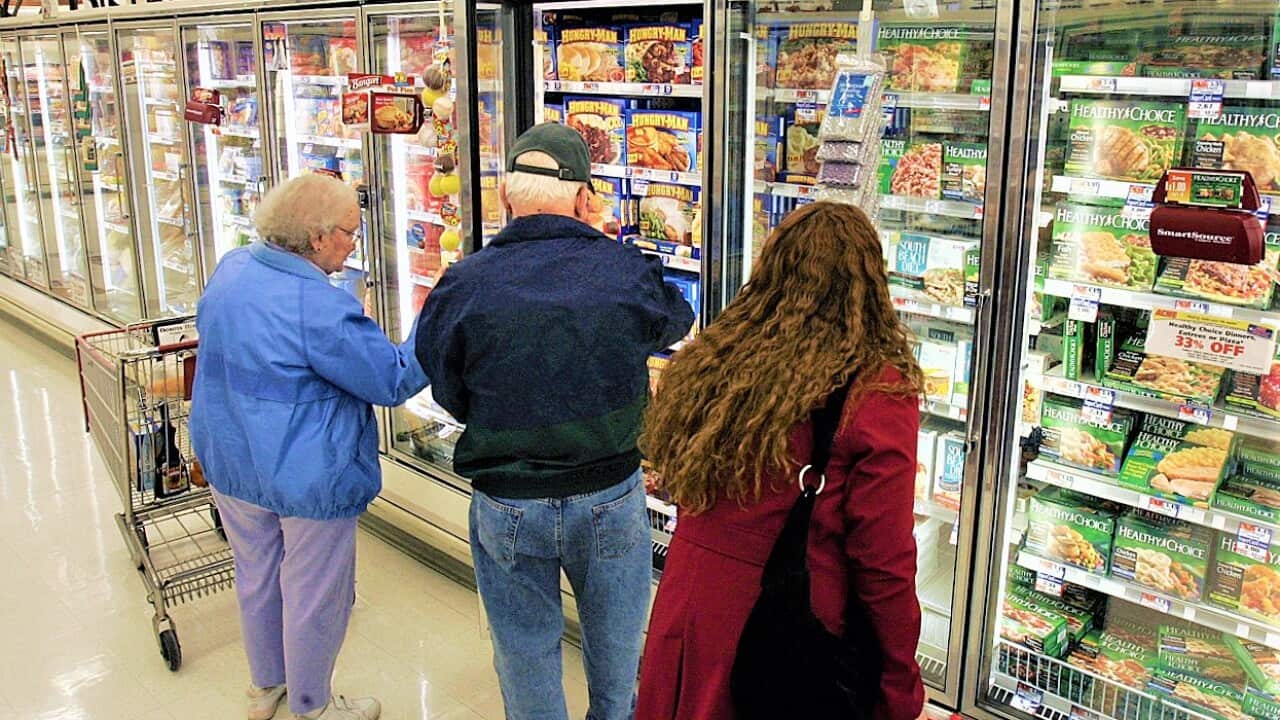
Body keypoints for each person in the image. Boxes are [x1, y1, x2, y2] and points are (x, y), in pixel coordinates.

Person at [414, 123, 695, 720]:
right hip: (610, 495)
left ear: (507, 196)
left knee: (525, 658)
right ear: (584, 195)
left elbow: (444, 382)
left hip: (507, 498)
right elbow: (676, 322)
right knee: (617, 661)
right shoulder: (621, 270)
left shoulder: (463, 282)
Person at [635, 201, 928, 720]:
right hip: (783, 629)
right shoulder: (876, 392)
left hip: (689, 602)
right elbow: (884, 563)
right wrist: (900, 687)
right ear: (870, 285)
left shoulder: (719, 357)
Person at [189, 174, 428, 720]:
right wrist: (433, 320)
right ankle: (312, 706)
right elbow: (390, 380)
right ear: (317, 238)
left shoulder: (233, 268)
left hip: (230, 453)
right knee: (313, 593)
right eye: (350, 232)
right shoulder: (317, 306)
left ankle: (265, 689)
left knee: (255, 573)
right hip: (304, 469)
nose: (353, 242)